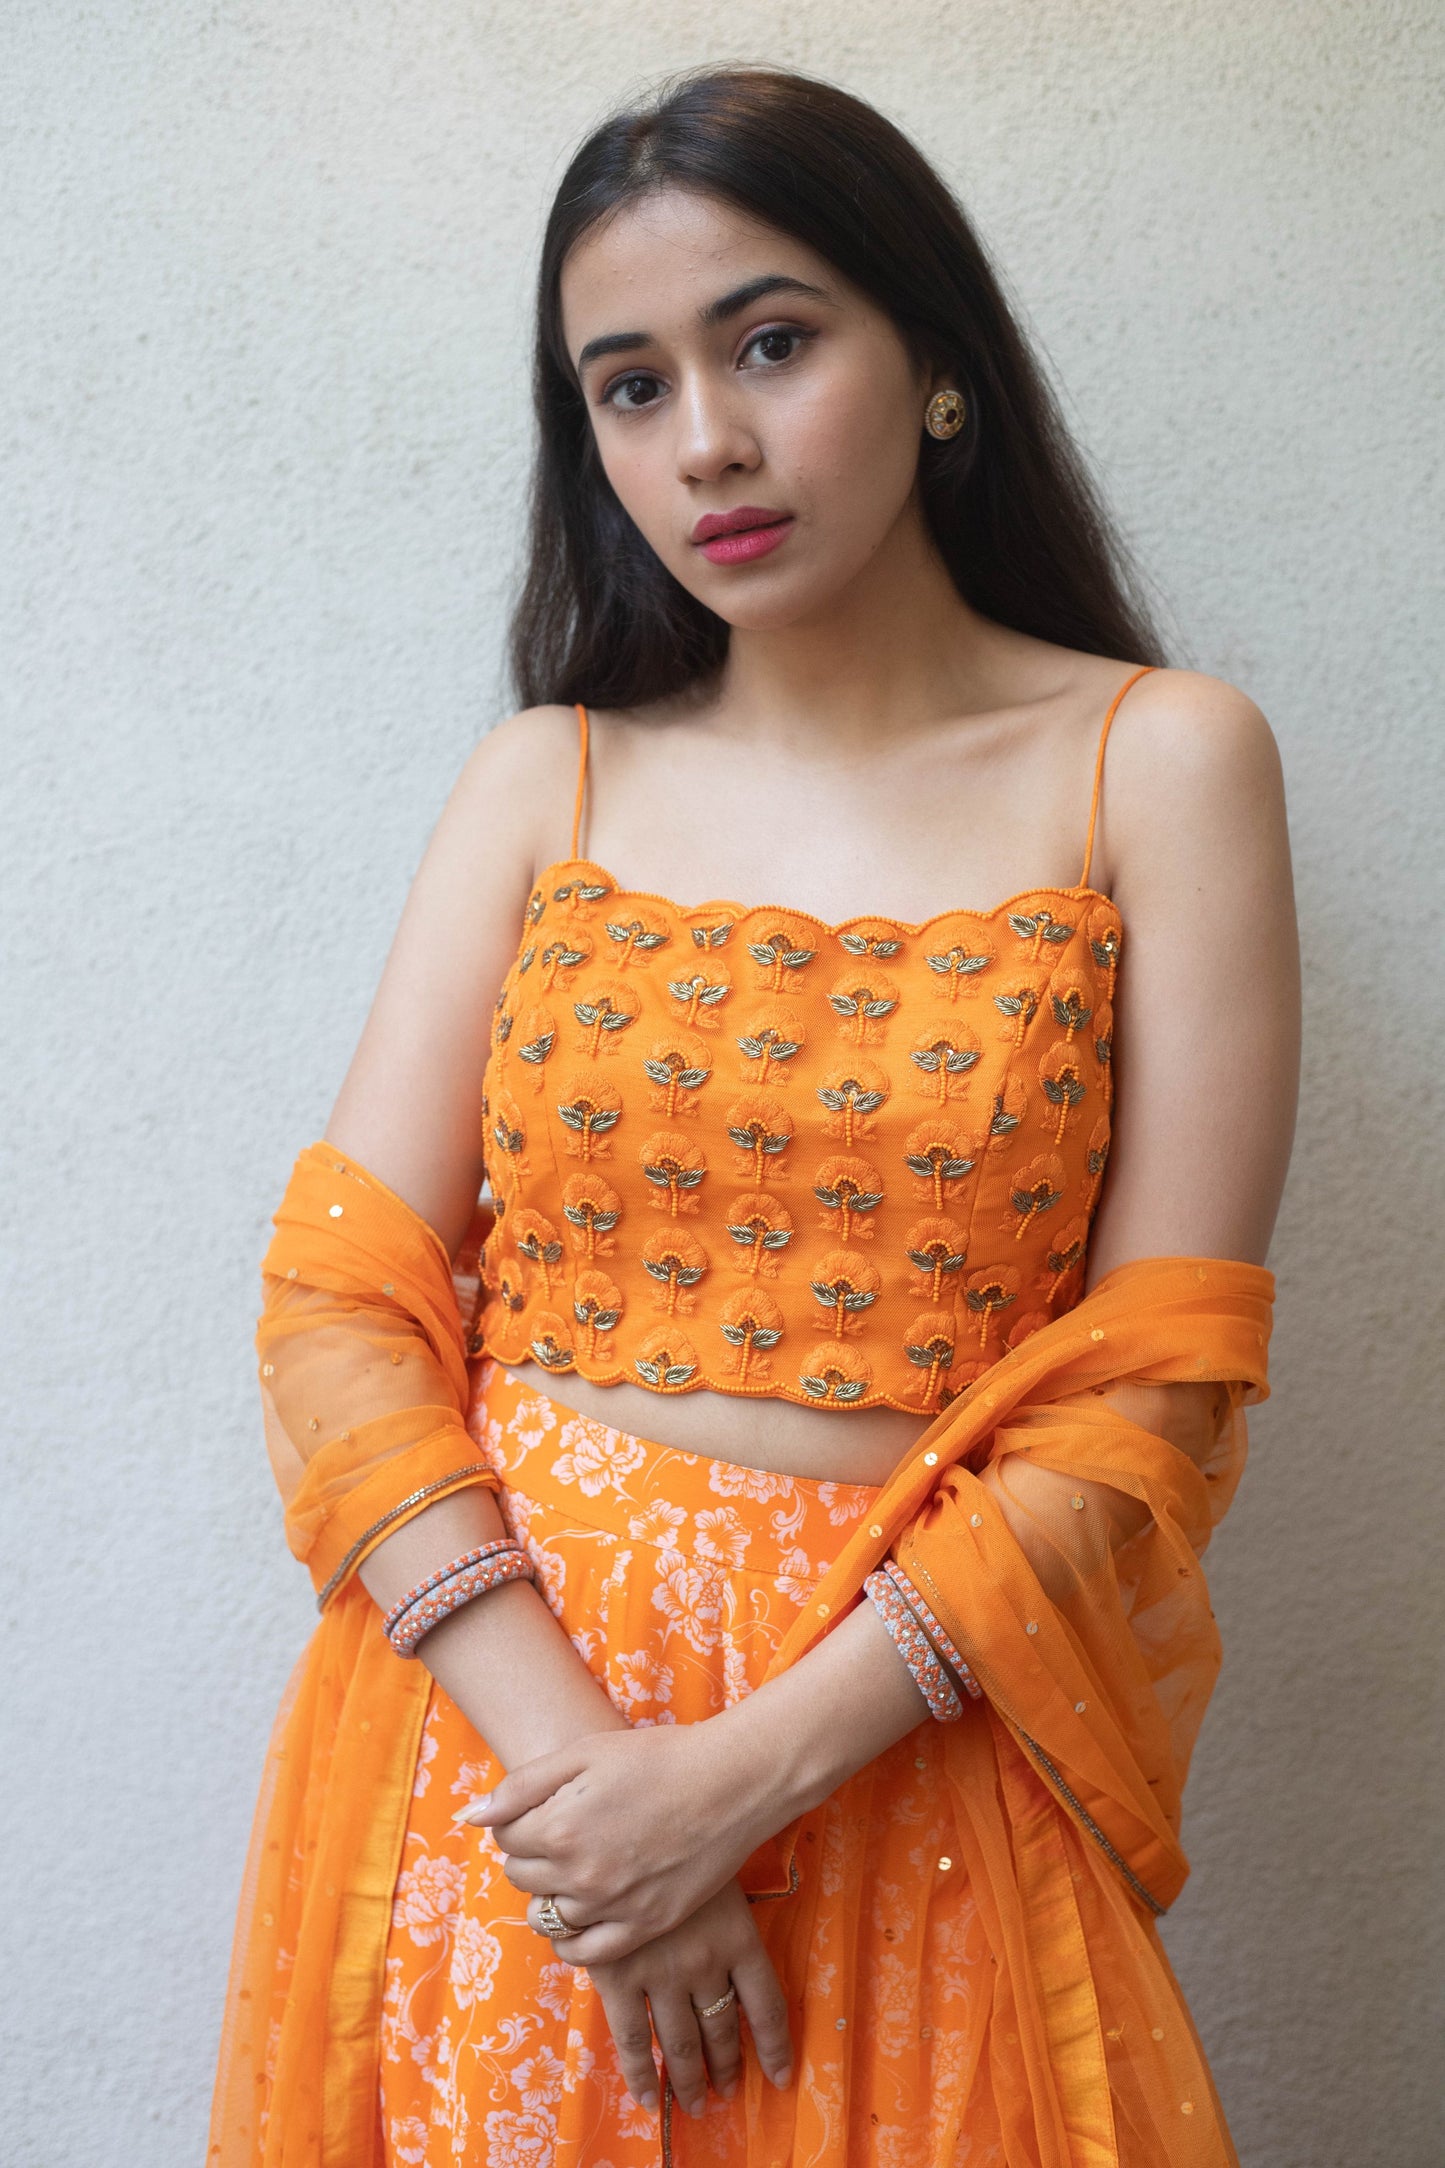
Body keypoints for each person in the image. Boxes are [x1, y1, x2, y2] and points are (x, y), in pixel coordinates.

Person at [208, 64, 1299, 2168]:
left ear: (940, 362)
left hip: (905, 1742)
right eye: (628, 387)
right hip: (501, 1775)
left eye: (772, 343)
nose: (703, 438)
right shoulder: (548, 780)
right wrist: (594, 1794)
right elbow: (338, 1310)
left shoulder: (1155, 764)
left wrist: (736, 1780)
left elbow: (1149, 1394)